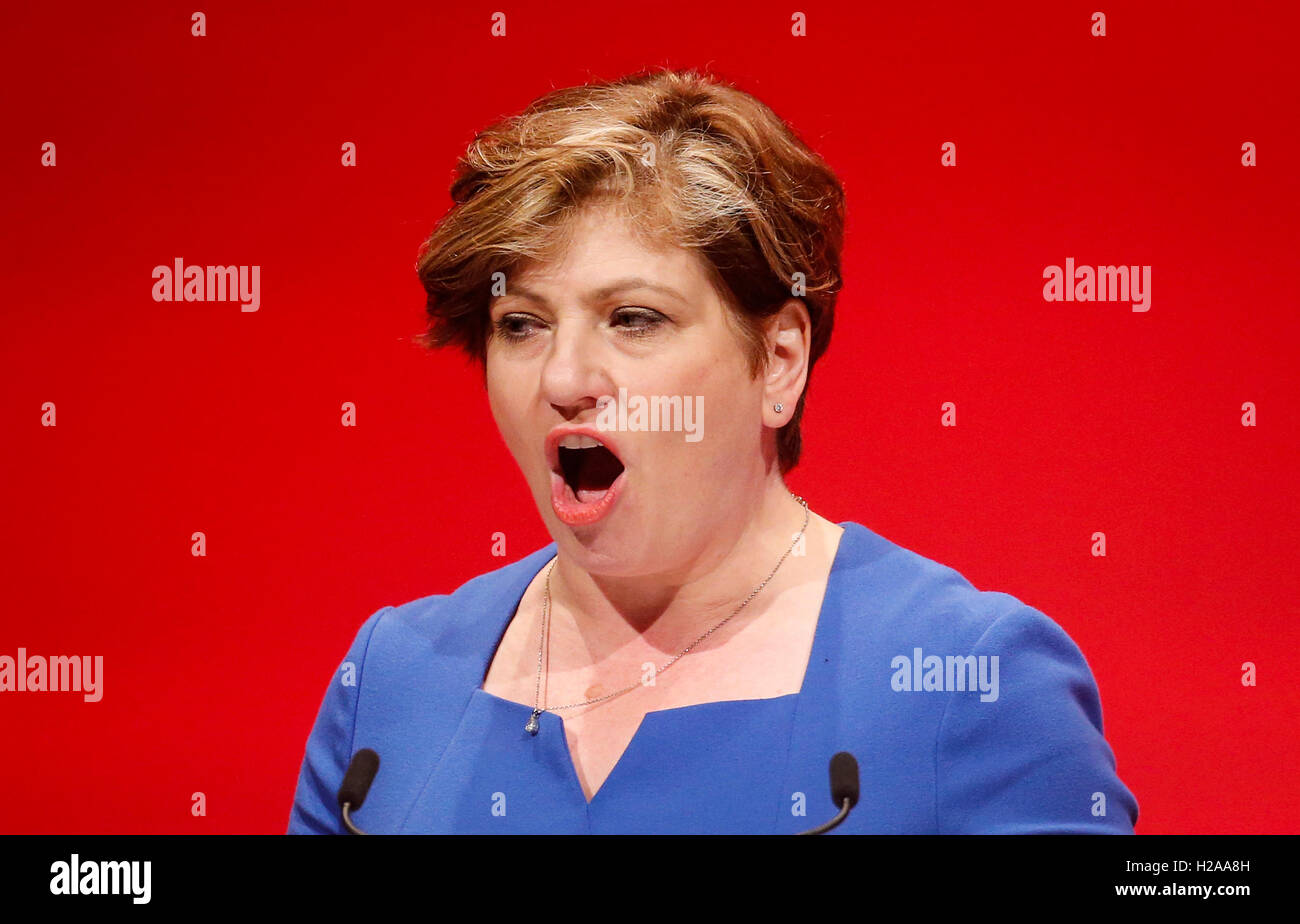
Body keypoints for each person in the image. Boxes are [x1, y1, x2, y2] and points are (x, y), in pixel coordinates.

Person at [287, 68, 1138, 834]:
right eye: (522, 325)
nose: (566, 376)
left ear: (778, 360)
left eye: (634, 318)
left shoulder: (967, 678)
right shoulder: (395, 678)